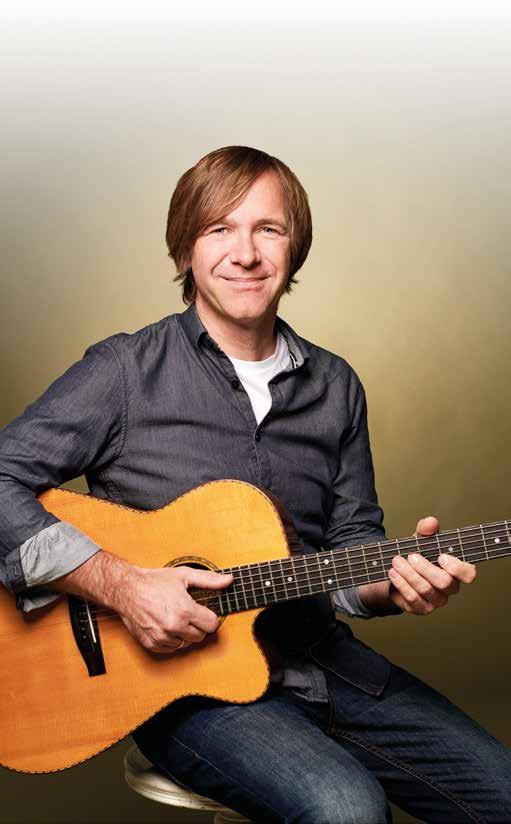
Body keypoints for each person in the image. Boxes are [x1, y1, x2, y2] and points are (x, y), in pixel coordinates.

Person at [1, 145, 510, 823]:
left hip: (323, 662)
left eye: (268, 229)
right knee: (345, 809)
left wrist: (394, 585)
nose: (245, 253)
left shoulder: (335, 385)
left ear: (295, 249)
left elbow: (350, 544)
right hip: (184, 687)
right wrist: (119, 585)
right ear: (185, 248)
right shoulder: (124, 371)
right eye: (220, 228)